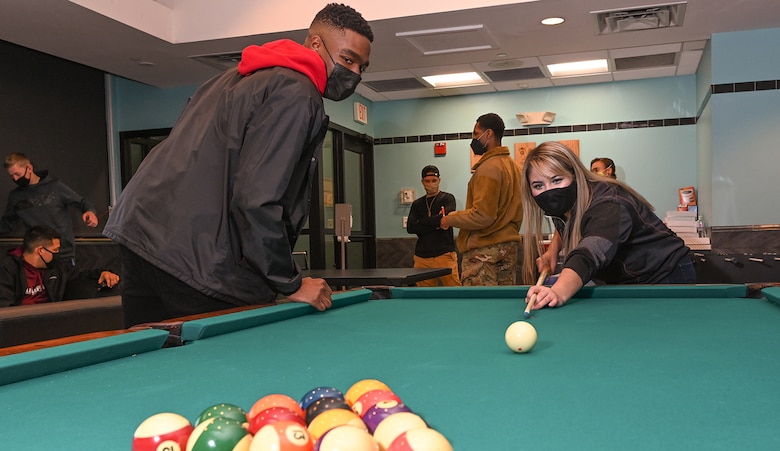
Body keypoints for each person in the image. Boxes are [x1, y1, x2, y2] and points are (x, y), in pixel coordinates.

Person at [103, 3, 373, 327]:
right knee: (232, 367)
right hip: (198, 260)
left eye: (362, 66)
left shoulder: (231, 78)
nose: (354, 73)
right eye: (347, 59)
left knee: (146, 359)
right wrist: (291, 282)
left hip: (141, 237)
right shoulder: (297, 93)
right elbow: (256, 201)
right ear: (316, 43)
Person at [522, 142, 695, 311]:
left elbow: (590, 252)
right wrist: (552, 251)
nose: (549, 191)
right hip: (627, 281)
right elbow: (568, 223)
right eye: (538, 185)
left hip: (665, 276)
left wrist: (558, 293)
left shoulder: (609, 204)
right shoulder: (567, 203)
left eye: (557, 180)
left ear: (575, 176)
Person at [439, 113, 523, 285]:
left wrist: (450, 218)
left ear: (489, 134)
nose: (474, 139)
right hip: (508, 247)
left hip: (485, 250)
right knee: (503, 305)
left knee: (479, 307)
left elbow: (483, 215)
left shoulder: (488, 168)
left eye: (476, 134)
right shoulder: (513, 166)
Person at [2, 152, 99, 265]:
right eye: (11, 176)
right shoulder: (15, 197)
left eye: (17, 174)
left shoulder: (55, 187)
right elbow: (6, 224)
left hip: (63, 253)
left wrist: (90, 211)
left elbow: (82, 202)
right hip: (36, 256)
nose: (15, 178)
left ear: (29, 168)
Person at [0, 226, 119, 307]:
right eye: (55, 250)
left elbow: (81, 273)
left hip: (53, 321)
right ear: (40, 250)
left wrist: (103, 273)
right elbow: (5, 308)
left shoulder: (57, 267)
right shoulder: (8, 269)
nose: (58, 253)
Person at [406, 165, 461, 286]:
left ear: (439, 180)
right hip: (422, 257)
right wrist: (436, 223)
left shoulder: (447, 198)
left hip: (445, 255)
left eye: (434, 181)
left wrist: (421, 221)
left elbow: (445, 218)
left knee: (454, 292)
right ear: (422, 182)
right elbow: (411, 227)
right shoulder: (417, 204)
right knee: (423, 295)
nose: (431, 184)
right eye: (427, 181)